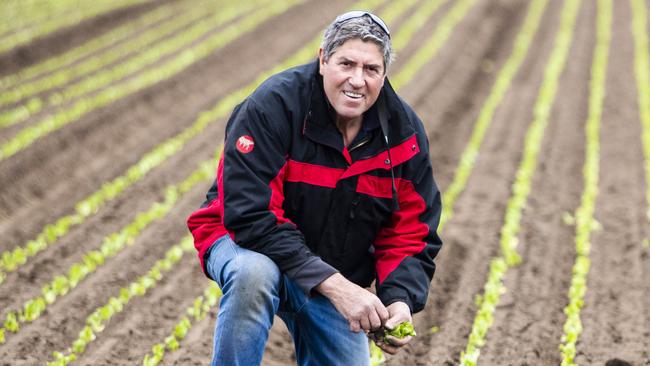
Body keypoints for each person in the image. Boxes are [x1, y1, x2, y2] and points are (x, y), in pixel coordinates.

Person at [187, 10, 443, 366]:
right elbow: (250, 216)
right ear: (323, 59)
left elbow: (410, 232)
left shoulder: (403, 137)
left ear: (384, 74)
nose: (357, 80)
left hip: (328, 268)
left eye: (371, 69)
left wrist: (399, 298)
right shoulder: (274, 107)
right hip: (245, 243)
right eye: (346, 64)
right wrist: (335, 285)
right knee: (254, 274)